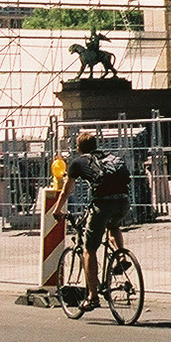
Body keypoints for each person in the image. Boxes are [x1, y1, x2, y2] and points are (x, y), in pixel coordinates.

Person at [63, 130, 130, 312]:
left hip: (103, 204)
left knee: (89, 249)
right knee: (113, 225)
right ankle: (121, 256)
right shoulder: (108, 156)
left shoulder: (78, 162)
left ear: (79, 149)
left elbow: (67, 190)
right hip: (124, 201)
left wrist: (56, 210)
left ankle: (92, 297)